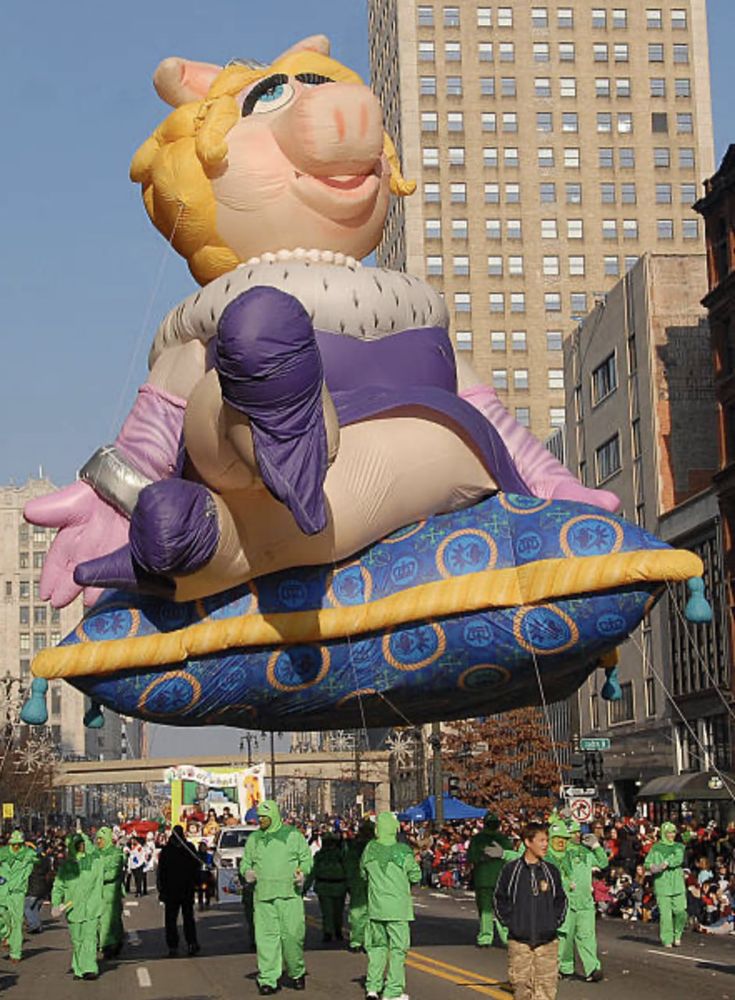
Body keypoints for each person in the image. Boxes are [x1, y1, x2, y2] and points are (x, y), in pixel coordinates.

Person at [240, 800, 312, 996]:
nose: (260, 820)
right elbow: (245, 862)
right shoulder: (254, 838)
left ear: (274, 815)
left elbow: (306, 859)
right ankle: (268, 979)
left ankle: (297, 972)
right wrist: (247, 871)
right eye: (259, 817)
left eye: (264, 817)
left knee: (292, 937)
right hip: (263, 896)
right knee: (266, 939)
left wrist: (302, 873)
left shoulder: (293, 836)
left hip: (289, 895)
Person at [494, 822, 567, 1000]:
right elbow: (499, 899)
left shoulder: (551, 871)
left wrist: (553, 923)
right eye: (541, 840)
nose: (545, 845)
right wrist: (512, 923)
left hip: (547, 941)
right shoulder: (511, 871)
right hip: (520, 942)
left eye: (547, 840)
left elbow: (561, 900)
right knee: (521, 990)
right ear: (528, 842)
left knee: (546, 991)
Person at [360, 811, 422, 1000]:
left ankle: (372, 987)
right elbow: (416, 875)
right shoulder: (403, 851)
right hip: (398, 909)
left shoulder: (369, 849)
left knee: (377, 948)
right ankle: (393, 991)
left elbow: (363, 874)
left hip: (376, 907)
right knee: (397, 950)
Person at [558, 821, 607, 983]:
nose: (577, 835)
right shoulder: (559, 854)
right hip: (566, 903)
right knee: (565, 938)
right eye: (573, 832)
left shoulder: (585, 853)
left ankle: (592, 969)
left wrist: (596, 846)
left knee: (587, 937)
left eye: (578, 832)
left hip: (585, 902)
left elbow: (603, 863)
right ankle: (564, 968)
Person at [51, 833, 104, 981]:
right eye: (77, 845)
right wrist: (56, 904)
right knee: (77, 940)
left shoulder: (95, 862)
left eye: (82, 844)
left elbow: (98, 853)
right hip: (73, 908)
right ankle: (79, 968)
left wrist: (84, 837)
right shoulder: (66, 867)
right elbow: (58, 887)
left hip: (92, 907)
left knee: (90, 938)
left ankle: (89, 968)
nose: (81, 847)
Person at [468, 812, 513, 948]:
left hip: (483, 879)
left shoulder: (477, 839)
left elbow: (471, 857)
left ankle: (485, 938)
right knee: (502, 910)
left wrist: (482, 858)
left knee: (485, 910)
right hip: (501, 879)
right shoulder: (504, 840)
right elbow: (510, 857)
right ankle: (506, 937)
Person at [157, 825, 201, 957]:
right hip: (180, 890)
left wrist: (161, 889)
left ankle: (179, 945)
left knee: (176, 919)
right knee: (184, 919)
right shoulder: (184, 849)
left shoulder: (179, 849)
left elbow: (196, 867)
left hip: (177, 890)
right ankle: (184, 944)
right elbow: (196, 868)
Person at [645, 821, 687, 948]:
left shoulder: (679, 846)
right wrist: (653, 867)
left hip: (677, 885)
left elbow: (678, 859)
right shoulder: (655, 848)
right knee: (666, 915)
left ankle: (677, 934)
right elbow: (647, 863)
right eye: (668, 832)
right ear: (663, 833)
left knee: (681, 912)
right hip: (662, 885)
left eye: (673, 832)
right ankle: (667, 939)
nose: (671, 835)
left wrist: (666, 863)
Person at [0, 830, 38, 963]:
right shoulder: (3, 853)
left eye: (19, 844)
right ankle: (6, 934)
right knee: (2, 916)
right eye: (14, 844)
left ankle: (15, 953)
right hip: (2, 891)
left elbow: (40, 857)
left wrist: (33, 847)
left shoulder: (27, 854)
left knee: (17, 922)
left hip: (18, 893)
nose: (16, 846)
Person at [306, 831, 347, 943]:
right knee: (336, 911)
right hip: (336, 886)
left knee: (328, 912)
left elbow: (312, 873)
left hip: (328, 886)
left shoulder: (323, 855)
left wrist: (305, 887)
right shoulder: (340, 855)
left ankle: (330, 932)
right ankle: (335, 932)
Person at [94, 826, 125, 959]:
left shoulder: (116, 853)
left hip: (111, 894)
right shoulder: (94, 854)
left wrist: (97, 876)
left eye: (101, 839)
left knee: (110, 920)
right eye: (97, 839)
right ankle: (108, 943)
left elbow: (112, 874)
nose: (98, 841)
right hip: (96, 894)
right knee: (99, 921)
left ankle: (110, 944)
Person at [344, 819, 374, 952]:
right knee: (364, 914)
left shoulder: (356, 847)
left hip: (364, 882)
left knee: (363, 914)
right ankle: (361, 941)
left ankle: (361, 941)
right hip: (363, 882)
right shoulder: (356, 847)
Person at [25, 840, 52, 935]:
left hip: (33, 888)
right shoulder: (46, 861)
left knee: (27, 907)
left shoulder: (32, 865)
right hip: (42, 887)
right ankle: (37, 925)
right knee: (34, 907)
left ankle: (34, 925)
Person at [196, 839, 216, 910]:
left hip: (208, 874)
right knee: (200, 890)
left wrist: (212, 866)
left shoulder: (209, 856)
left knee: (208, 889)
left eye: (204, 846)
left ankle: (207, 902)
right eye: (201, 846)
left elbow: (213, 865)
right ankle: (200, 904)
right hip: (199, 875)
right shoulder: (196, 856)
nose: (203, 848)